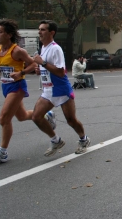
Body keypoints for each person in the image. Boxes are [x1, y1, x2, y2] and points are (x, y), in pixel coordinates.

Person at [0, 19, 46, 162]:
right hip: (5, 86)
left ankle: (3, 152)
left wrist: (20, 73)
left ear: (8, 34)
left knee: (4, 118)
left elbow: (33, 64)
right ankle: (45, 115)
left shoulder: (18, 51)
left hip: (17, 87)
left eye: (0, 32)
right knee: (22, 116)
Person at [32, 20, 90, 156]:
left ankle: (84, 139)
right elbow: (47, 68)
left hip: (61, 89)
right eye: (39, 29)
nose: (39, 32)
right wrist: (40, 70)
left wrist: (43, 63)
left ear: (52, 32)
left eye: (43, 30)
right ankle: (56, 140)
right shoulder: (43, 47)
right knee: (36, 117)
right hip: (48, 90)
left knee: (71, 120)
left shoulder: (55, 48)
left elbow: (60, 71)